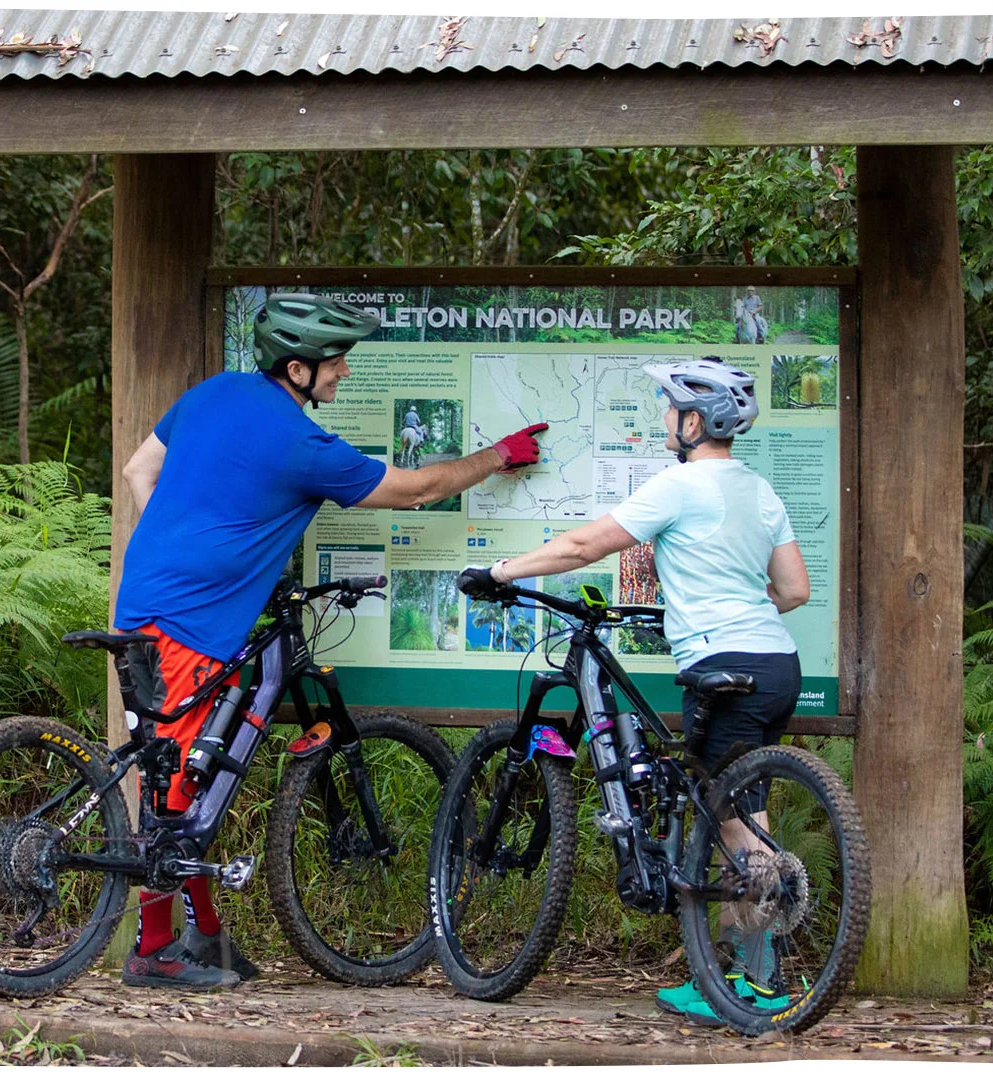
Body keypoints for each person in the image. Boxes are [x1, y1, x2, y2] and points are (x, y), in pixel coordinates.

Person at [115, 292, 551, 989]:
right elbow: (415, 489)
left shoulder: (213, 393)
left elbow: (142, 472)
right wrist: (496, 455)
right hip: (192, 623)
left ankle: (203, 937)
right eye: (335, 364)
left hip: (144, 602)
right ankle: (155, 949)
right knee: (180, 789)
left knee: (178, 774)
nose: (343, 374)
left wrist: (175, 551)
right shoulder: (299, 444)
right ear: (297, 369)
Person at [471, 357, 810, 1024]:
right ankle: (752, 973)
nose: (664, 419)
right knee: (747, 811)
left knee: (732, 828)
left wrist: (501, 571)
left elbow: (584, 545)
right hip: (777, 666)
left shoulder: (681, 486)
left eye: (670, 408)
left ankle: (751, 985)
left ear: (694, 421)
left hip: (725, 665)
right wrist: (737, 604)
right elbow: (794, 590)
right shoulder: (760, 491)